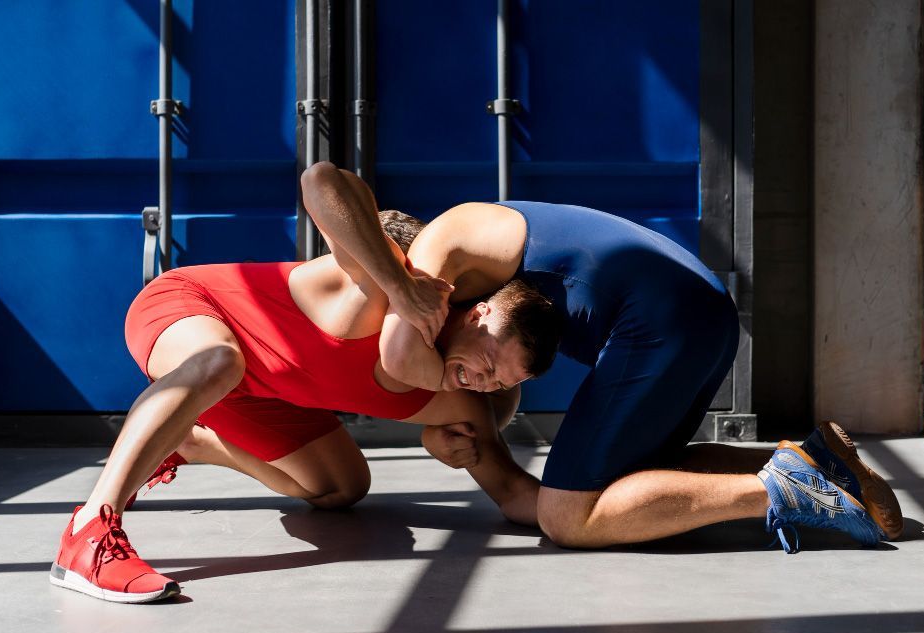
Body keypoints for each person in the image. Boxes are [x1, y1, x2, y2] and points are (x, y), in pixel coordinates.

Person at [302, 161, 904, 554]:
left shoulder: (445, 243)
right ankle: (813, 460)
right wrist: (460, 422)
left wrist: (400, 290)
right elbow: (499, 401)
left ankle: (785, 488)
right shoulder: (493, 295)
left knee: (568, 519)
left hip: (662, 318)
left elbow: (396, 365)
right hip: (696, 314)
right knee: (632, 484)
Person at [50, 169, 561, 603]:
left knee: (342, 489)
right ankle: (89, 531)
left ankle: (187, 439)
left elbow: (513, 492)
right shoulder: (378, 294)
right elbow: (321, 178)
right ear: (474, 314)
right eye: (489, 362)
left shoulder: (460, 398)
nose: (484, 382)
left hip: (253, 392)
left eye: (499, 383)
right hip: (191, 310)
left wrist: (600, 514)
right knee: (219, 362)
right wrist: (401, 286)